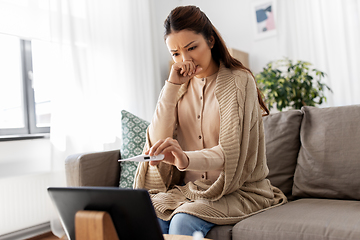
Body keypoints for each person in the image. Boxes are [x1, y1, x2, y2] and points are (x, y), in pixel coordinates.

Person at [134, 5, 287, 237]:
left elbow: (231, 154)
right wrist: (171, 87)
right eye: (175, 54)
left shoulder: (239, 81)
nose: (185, 60)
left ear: (211, 41)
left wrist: (185, 159)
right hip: (190, 191)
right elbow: (156, 144)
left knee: (182, 222)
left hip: (238, 190)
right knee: (144, 215)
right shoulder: (178, 88)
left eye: (192, 48)